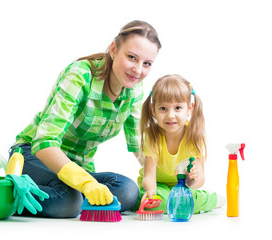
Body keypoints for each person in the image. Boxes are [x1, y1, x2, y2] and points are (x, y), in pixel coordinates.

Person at [9, 20, 162, 218]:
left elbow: (141, 146)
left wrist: (166, 177)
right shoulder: (80, 75)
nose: (138, 70)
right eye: (132, 57)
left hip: (78, 169)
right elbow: (44, 143)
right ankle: (8, 190)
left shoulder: (133, 90)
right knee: (69, 200)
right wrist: (86, 183)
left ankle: (70, 196)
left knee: (128, 191)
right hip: (33, 155)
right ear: (114, 49)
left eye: (147, 64)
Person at [134, 74, 223, 213]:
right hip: (158, 185)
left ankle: (211, 199)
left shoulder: (194, 135)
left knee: (189, 201)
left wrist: (193, 178)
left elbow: (197, 182)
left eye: (177, 108)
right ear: (153, 110)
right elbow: (149, 175)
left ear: (189, 108)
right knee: (153, 201)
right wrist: (151, 192)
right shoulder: (152, 135)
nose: (170, 115)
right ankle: (173, 202)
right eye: (163, 108)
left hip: (182, 186)